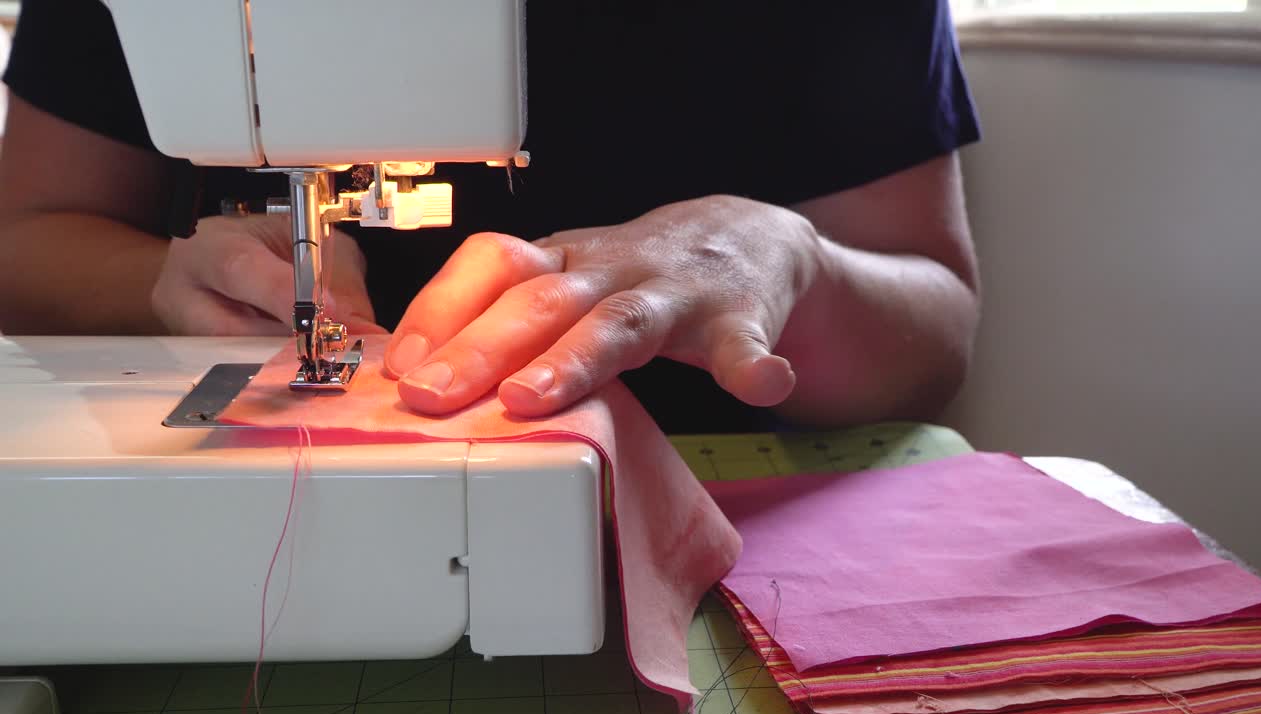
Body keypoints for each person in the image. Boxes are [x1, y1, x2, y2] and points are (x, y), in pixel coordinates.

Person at [0, 1, 981, 434]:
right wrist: (164, 283)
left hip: (737, 498)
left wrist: (786, 258)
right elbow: (24, 240)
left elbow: (933, 338)